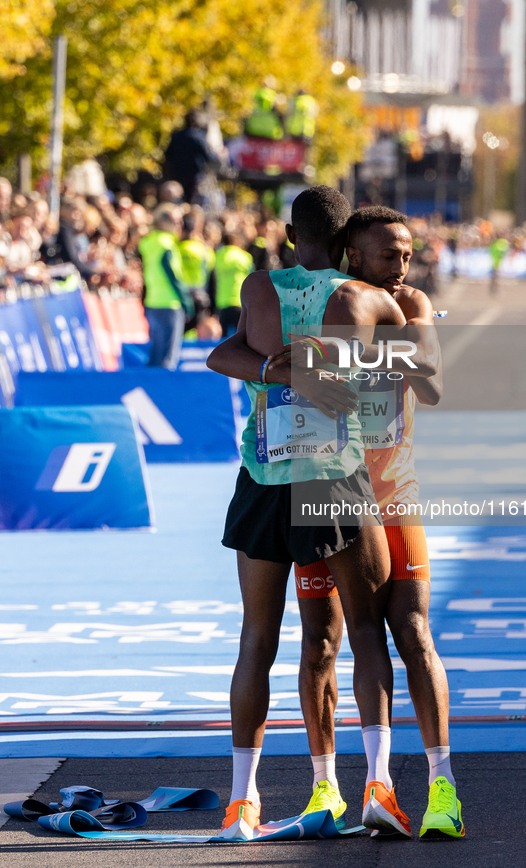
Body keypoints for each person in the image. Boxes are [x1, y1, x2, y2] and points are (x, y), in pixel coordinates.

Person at [207, 186, 436, 841]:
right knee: (364, 633)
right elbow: (421, 378)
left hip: (263, 476)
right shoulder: (366, 298)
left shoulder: (257, 288)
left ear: (286, 233)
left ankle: (241, 803)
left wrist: (280, 372)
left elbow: (218, 355)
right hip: (334, 477)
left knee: (258, 637)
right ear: (346, 246)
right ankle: (378, 786)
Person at [290, 207, 464, 840]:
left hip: (394, 495)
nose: (401, 267)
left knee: (412, 631)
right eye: (388, 255)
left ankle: (442, 789)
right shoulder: (327, 302)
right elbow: (289, 369)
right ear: (351, 256)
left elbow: (434, 388)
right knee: (322, 640)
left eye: (408, 254)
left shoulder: (411, 302)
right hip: (326, 493)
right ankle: (328, 788)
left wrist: (396, 335)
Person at [138, 206, 194, 368]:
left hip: (152, 303)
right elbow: (173, 278)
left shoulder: (148, 242)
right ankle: (162, 393)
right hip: (170, 304)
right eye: (176, 222)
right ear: (163, 222)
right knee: (168, 357)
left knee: (155, 354)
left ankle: (149, 390)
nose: (180, 226)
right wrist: (187, 303)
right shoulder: (167, 245)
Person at [163, 111, 220, 204]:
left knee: (179, 198)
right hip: (195, 175)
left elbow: (168, 154)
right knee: (194, 200)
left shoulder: (176, 136)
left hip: (177, 173)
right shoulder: (199, 137)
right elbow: (208, 156)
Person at [213, 232, 254, 337]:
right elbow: (252, 275)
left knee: (224, 339)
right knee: (241, 336)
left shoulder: (217, 256)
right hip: (239, 300)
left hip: (222, 302)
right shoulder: (244, 256)